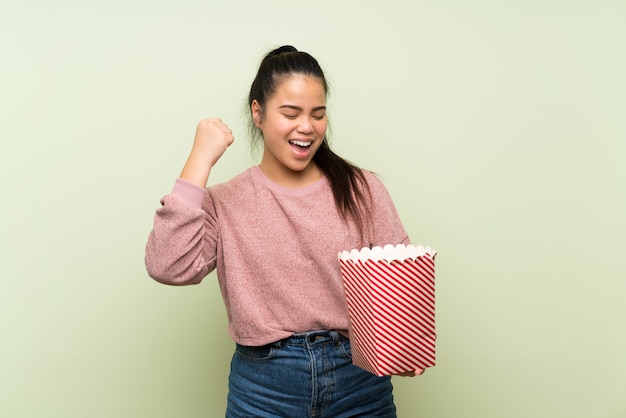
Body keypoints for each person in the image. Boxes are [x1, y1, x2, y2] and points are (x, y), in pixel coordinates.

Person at [145, 45, 422, 417]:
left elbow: (401, 277)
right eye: (290, 113)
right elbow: (167, 265)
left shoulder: (362, 188)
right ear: (257, 113)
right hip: (263, 387)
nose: (306, 127)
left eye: (318, 114)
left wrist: (406, 343)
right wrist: (199, 159)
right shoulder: (224, 202)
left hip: (359, 381)